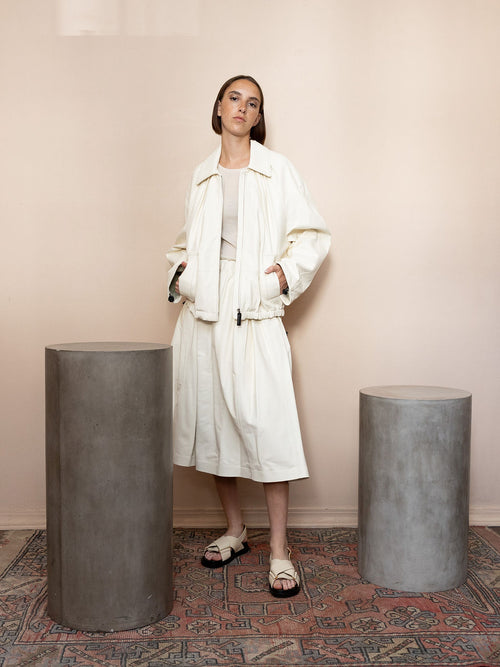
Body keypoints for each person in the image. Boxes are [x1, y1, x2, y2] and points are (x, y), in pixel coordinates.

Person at [166, 75, 330, 598]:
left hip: (254, 309)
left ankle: (280, 551)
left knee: (266, 423)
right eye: (234, 98)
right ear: (218, 106)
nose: (242, 107)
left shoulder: (276, 169)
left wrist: (277, 280)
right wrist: (184, 276)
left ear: (258, 117)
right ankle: (236, 529)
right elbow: (184, 244)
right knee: (213, 421)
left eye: (252, 102)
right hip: (204, 312)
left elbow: (310, 237)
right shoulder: (201, 174)